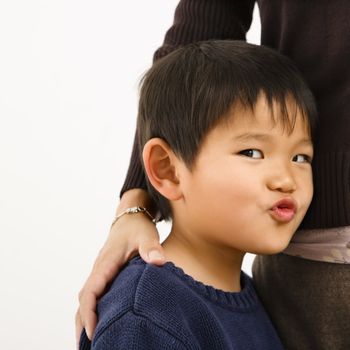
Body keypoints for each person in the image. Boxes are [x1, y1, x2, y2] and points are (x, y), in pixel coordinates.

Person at [76, 1, 350, 349]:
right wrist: (134, 203)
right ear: (166, 169)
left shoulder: (249, 300)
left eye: (300, 157)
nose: (286, 179)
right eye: (252, 152)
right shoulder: (146, 315)